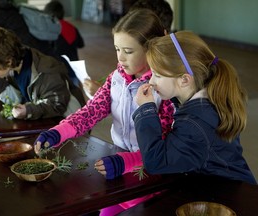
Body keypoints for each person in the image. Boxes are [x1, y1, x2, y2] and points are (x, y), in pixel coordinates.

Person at [34, 8, 174, 215]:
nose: (120, 58)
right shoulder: (116, 78)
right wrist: (58, 132)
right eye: (117, 49)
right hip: (118, 166)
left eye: (128, 51)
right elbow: (91, 111)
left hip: (150, 175)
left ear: (151, 49)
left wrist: (127, 161)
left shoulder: (165, 88)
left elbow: (165, 146)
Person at [131, 31, 256, 185]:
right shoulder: (208, 99)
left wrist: (145, 109)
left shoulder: (194, 123)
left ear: (184, 80)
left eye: (157, 74)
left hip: (230, 200)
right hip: (221, 191)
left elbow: (156, 162)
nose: (151, 81)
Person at [0, 27, 85, 120]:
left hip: (72, 123)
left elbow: (57, 105)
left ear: (8, 61)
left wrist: (29, 110)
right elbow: (17, 100)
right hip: (47, 122)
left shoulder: (45, 72)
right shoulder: (13, 67)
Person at [83, 0, 173, 97]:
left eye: (128, 51)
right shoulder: (122, 72)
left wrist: (104, 95)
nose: (120, 58)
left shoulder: (168, 83)